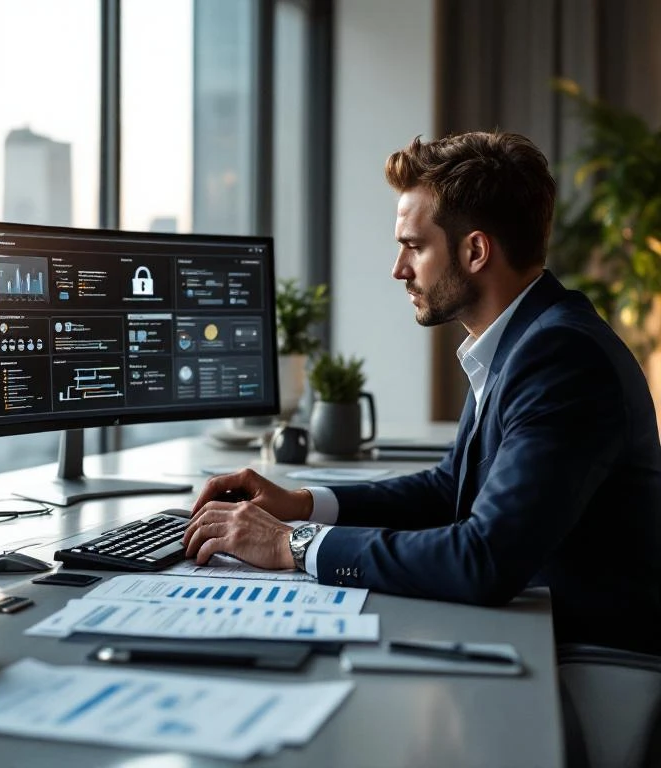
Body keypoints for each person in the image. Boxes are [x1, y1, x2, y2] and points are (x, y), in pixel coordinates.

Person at [183, 131, 661, 655]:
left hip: (596, 658)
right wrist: (301, 505)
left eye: (413, 246)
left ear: (475, 250)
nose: (399, 269)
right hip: (542, 632)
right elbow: (447, 489)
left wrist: (289, 543)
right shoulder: (524, 336)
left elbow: (484, 558)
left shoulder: (561, 358)